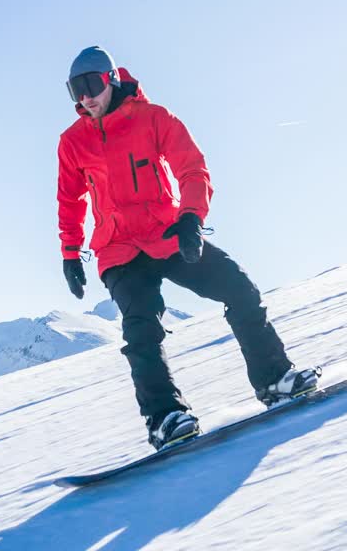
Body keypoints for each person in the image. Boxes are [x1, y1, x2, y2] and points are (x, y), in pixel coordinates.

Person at [56, 45, 320, 450]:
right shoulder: (72, 142)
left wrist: (191, 218)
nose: (85, 97)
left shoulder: (155, 118)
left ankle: (274, 380)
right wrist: (71, 254)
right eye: (76, 90)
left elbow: (191, 167)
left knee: (239, 288)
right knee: (141, 328)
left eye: (91, 84)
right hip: (118, 248)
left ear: (110, 78)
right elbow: (69, 200)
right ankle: (165, 419)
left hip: (166, 234)